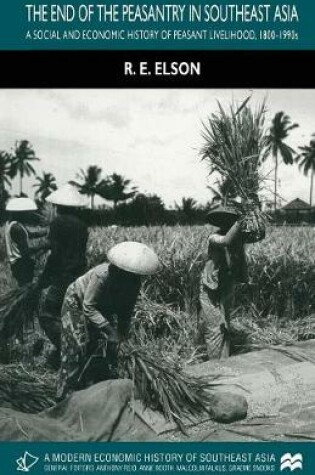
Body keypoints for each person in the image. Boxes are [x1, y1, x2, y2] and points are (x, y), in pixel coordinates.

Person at [57, 241, 160, 399]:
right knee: (76, 347)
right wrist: (111, 332)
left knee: (100, 348)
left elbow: (126, 311)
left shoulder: (133, 284)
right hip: (77, 303)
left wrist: (121, 335)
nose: (131, 278)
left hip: (103, 308)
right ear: (120, 269)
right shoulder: (102, 275)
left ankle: (91, 390)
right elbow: (89, 307)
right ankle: (64, 396)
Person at [197, 203, 265, 360]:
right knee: (214, 328)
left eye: (231, 220)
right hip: (210, 288)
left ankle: (224, 361)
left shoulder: (239, 238)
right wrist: (242, 219)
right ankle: (214, 366)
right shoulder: (214, 237)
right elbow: (225, 241)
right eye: (225, 220)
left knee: (225, 324)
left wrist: (256, 214)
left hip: (226, 284)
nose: (227, 223)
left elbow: (260, 235)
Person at [38, 184, 89, 356]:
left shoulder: (58, 223)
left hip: (63, 276)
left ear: (58, 205)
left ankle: (69, 350)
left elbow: (56, 254)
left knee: (47, 315)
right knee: (72, 314)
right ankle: (76, 347)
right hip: (81, 275)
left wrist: (44, 278)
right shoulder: (82, 225)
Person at [4, 197, 48, 286]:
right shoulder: (17, 228)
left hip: (17, 263)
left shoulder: (14, 224)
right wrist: (43, 246)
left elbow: (30, 234)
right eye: (28, 212)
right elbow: (26, 251)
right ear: (21, 213)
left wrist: (45, 232)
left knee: (23, 288)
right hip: (21, 264)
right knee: (25, 288)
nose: (30, 215)